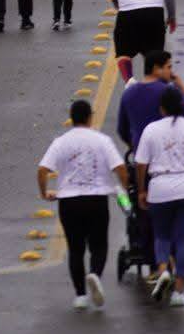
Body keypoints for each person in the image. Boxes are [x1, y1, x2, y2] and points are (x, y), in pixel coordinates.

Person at [37, 98, 127, 310]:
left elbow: (42, 170)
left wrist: (44, 193)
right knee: (99, 245)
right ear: (89, 117)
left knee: (75, 248)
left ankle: (80, 296)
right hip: (96, 200)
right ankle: (94, 273)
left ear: (71, 118)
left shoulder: (61, 142)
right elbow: (120, 168)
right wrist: (125, 187)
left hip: (69, 202)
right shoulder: (102, 140)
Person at [136, 85, 184, 307]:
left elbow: (141, 164)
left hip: (160, 188)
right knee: (183, 239)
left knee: (161, 236)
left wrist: (142, 190)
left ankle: (162, 270)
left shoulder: (151, 130)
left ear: (161, 108)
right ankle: (179, 291)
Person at [117, 50, 184, 151]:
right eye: (168, 67)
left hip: (141, 153)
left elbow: (122, 130)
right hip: (166, 151)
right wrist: (181, 86)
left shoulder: (128, 93)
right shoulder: (168, 91)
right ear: (156, 69)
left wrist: (134, 147)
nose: (171, 72)